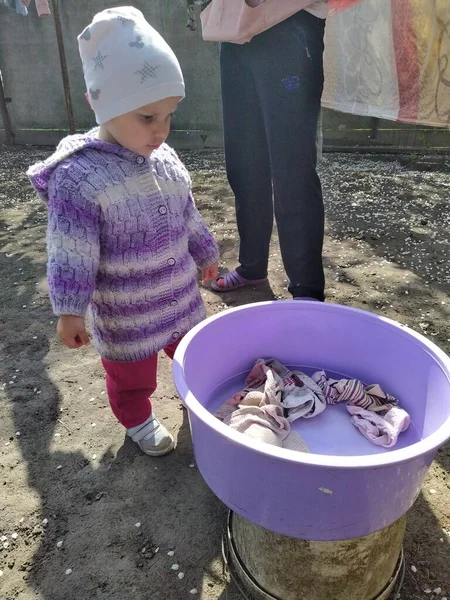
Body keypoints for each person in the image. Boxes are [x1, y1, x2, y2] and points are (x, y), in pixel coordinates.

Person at [27, 6, 219, 457]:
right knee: (132, 375)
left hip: (178, 295)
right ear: (105, 105)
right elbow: (70, 249)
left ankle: (200, 400)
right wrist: (70, 309)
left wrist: (205, 251)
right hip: (126, 309)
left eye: (169, 115)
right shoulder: (80, 178)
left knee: (196, 353)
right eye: (147, 117)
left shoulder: (166, 158)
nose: (161, 130)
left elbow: (186, 212)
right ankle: (137, 420)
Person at [198, 0, 329, 301]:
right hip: (235, 28)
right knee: (244, 161)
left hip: (290, 22)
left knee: (292, 167)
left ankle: (306, 292)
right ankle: (252, 266)